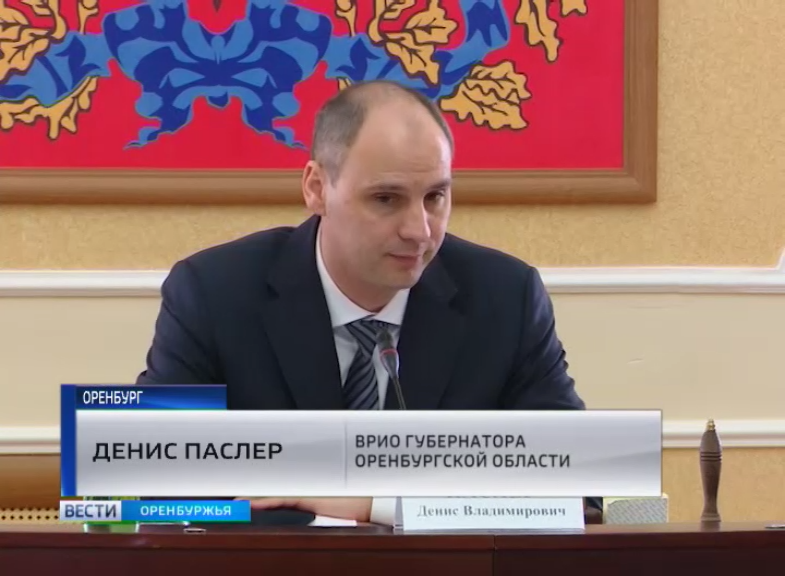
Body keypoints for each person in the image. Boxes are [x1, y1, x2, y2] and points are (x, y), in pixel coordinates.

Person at [137, 80, 600, 524]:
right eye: (386, 198)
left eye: (435, 196)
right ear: (317, 188)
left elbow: (576, 488)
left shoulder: (505, 298)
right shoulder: (214, 293)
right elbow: (157, 482)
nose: (419, 230)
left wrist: (377, 502)